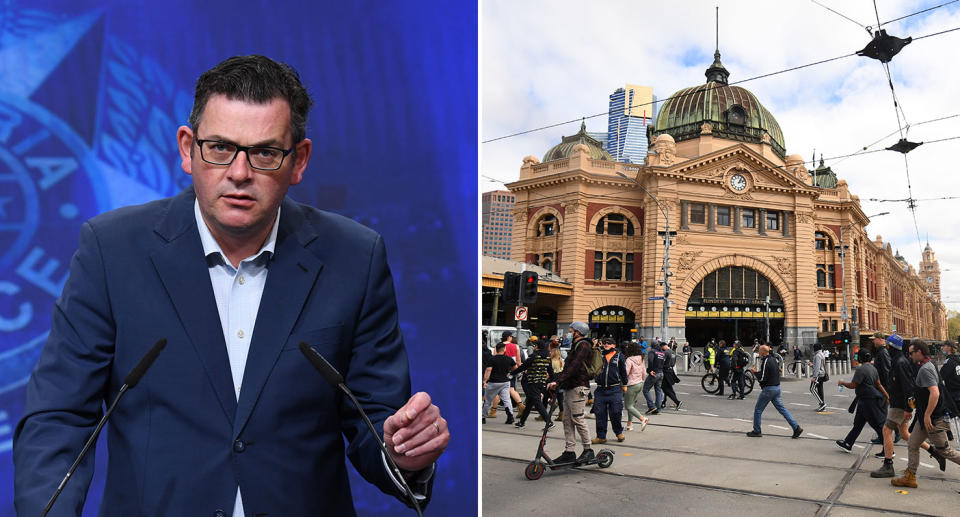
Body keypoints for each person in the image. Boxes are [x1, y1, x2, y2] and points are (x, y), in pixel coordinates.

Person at [13, 55, 448, 516]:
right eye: (219, 147)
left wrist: (402, 454)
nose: (239, 173)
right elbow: (58, 416)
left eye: (264, 153)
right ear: (187, 148)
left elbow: (373, 419)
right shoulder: (112, 250)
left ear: (298, 160)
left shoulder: (355, 257)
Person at [870, 335, 942, 477]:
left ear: (890, 346)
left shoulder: (900, 362)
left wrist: (908, 408)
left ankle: (888, 464)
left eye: (887, 344)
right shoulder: (897, 360)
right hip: (899, 402)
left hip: (900, 404)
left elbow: (908, 387)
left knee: (886, 430)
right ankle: (934, 451)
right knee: (904, 434)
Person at [891, 340, 960, 488]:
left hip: (933, 419)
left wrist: (928, 414)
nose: (909, 356)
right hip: (924, 418)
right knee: (912, 443)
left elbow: (934, 393)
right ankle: (910, 476)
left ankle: (910, 475)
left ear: (919, 353)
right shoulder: (927, 365)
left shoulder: (925, 369)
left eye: (911, 353)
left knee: (945, 451)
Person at [547, 322, 595, 464]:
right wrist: (558, 380)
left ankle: (588, 450)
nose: (569, 333)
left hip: (578, 387)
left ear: (578, 332)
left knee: (578, 418)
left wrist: (558, 381)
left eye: (571, 330)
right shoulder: (576, 345)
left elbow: (574, 366)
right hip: (570, 386)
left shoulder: (584, 345)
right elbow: (568, 367)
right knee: (567, 420)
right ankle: (569, 451)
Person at [835, 349, 889, 453]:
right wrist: (887, 396)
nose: (856, 358)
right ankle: (847, 443)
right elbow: (879, 384)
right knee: (858, 424)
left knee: (878, 426)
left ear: (860, 358)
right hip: (864, 401)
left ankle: (887, 451)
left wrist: (842, 382)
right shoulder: (873, 369)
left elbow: (853, 385)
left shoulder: (861, 369)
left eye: (857, 356)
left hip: (868, 402)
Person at [747, 345, 802, 439]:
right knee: (782, 410)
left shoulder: (766, 361)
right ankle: (796, 427)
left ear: (763, 352)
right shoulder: (773, 359)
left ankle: (757, 431)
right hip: (777, 388)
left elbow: (762, 377)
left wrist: (754, 372)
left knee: (758, 410)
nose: (759, 352)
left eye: (759, 351)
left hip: (769, 389)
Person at [512, 336, 554, 430]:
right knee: (530, 403)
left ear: (537, 347)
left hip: (532, 382)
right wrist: (554, 381)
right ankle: (521, 422)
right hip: (541, 381)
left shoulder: (534, 356)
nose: (534, 347)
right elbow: (550, 371)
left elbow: (523, 367)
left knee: (537, 403)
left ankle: (549, 422)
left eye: (535, 346)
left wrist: (512, 373)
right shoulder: (547, 357)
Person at [591, 339, 627, 444]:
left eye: (609, 343)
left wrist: (625, 384)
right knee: (600, 414)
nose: (606, 345)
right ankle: (601, 436)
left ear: (614, 345)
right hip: (600, 389)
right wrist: (594, 347)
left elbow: (623, 371)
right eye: (605, 343)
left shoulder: (619, 355)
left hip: (615, 389)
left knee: (616, 412)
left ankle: (618, 432)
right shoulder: (599, 354)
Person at [483, 343, 516, 425]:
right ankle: (510, 416)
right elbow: (515, 368)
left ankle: (483, 417)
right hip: (505, 382)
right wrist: (510, 373)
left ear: (496, 349)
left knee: (487, 401)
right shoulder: (509, 359)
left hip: (493, 382)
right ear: (504, 349)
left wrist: (484, 381)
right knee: (506, 399)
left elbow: (488, 370)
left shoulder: (492, 359)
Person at [623, 342, 649, 432]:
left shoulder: (629, 360)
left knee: (628, 406)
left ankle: (642, 419)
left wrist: (623, 383)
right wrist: (641, 380)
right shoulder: (641, 359)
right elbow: (644, 373)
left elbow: (625, 373)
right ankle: (629, 425)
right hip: (639, 384)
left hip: (631, 385)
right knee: (632, 405)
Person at [501, 331, 526, 416]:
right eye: (511, 336)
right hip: (512, 370)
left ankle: (492, 410)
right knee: (511, 388)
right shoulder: (516, 346)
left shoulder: (499, 346)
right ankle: (520, 405)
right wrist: (519, 370)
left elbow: (495, 358)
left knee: (497, 390)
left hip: (501, 370)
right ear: (509, 337)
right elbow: (518, 362)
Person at [642, 339, 665, 414]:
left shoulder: (652, 351)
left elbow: (651, 361)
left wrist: (650, 370)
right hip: (661, 373)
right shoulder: (661, 353)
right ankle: (658, 408)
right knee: (658, 390)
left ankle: (651, 407)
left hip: (654, 373)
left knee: (645, 389)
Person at [660, 341, 683, 410]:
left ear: (663, 346)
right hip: (671, 371)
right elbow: (674, 362)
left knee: (665, 388)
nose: (662, 349)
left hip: (666, 372)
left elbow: (662, 362)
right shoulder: (672, 352)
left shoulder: (666, 352)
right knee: (669, 388)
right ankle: (664, 403)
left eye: (662, 347)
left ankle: (677, 402)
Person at [810, 343, 828, 412]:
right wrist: (812, 365)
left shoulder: (817, 355)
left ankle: (822, 403)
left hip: (818, 375)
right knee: (820, 390)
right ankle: (822, 407)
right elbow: (820, 366)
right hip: (822, 374)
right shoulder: (822, 354)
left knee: (812, 389)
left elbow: (817, 368)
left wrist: (814, 377)